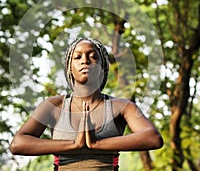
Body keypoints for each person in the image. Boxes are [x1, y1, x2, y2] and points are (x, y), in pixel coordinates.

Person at [10, 37, 163, 171]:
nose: (85, 60)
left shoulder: (121, 106)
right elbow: (18, 144)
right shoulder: (54, 105)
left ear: (102, 67)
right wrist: (74, 144)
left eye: (93, 56)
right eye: (77, 57)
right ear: (69, 67)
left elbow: (153, 138)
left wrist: (97, 144)